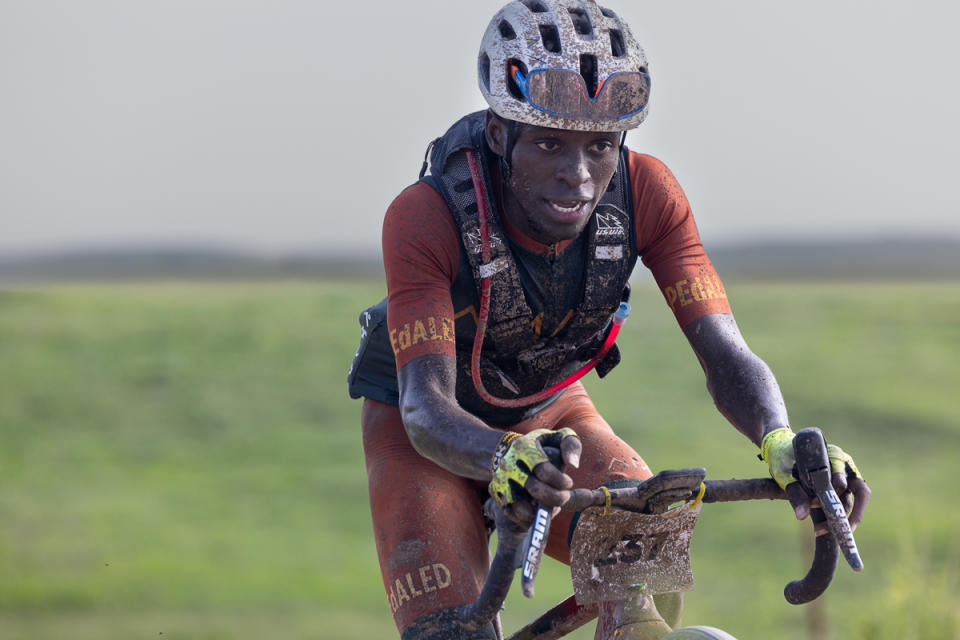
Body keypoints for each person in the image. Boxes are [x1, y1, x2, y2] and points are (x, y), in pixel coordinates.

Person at [347, 1, 870, 638]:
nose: (578, 174)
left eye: (601, 145)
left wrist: (779, 439)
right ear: (497, 134)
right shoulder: (426, 214)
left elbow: (726, 353)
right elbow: (425, 409)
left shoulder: (649, 192)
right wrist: (503, 454)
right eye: (547, 143)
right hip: (423, 439)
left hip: (552, 413)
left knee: (646, 558)